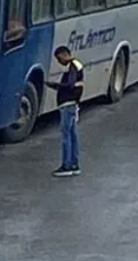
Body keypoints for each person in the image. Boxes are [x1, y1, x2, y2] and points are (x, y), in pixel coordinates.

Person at [46, 46, 84, 177]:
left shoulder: (72, 66)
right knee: (73, 135)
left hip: (67, 103)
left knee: (66, 136)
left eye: (58, 58)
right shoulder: (77, 64)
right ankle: (74, 164)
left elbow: (70, 85)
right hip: (73, 103)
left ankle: (66, 165)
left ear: (64, 54)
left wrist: (55, 85)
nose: (59, 62)